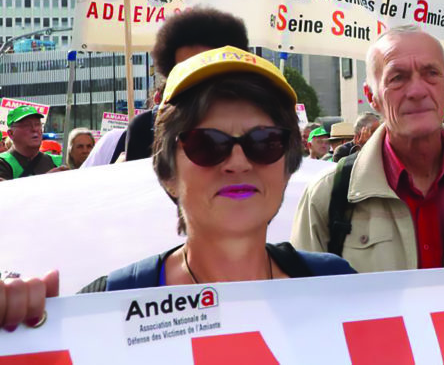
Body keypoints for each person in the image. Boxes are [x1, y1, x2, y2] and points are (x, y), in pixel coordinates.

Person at [0, 46, 355, 329]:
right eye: (208, 144)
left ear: (288, 166)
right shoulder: (105, 305)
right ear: (168, 172)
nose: (238, 162)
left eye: (264, 141)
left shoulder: (339, 285)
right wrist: (23, 335)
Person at [292, 26, 444, 292]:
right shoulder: (327, 196)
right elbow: (302, 311)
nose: (417, 91)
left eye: (431, 73)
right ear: (371, 97)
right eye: (397, 78)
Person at [85, 7, 249, 166]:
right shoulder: (145, 128)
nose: (197, 80)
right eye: (186, 70)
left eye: (208, 67)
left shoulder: (256, 124)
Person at [0, 106, 66, 181]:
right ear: (11, 133)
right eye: (26, 125)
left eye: (37, 124)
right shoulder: (3, 162)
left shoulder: (59, 161)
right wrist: (46, 180)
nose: (34, 129)